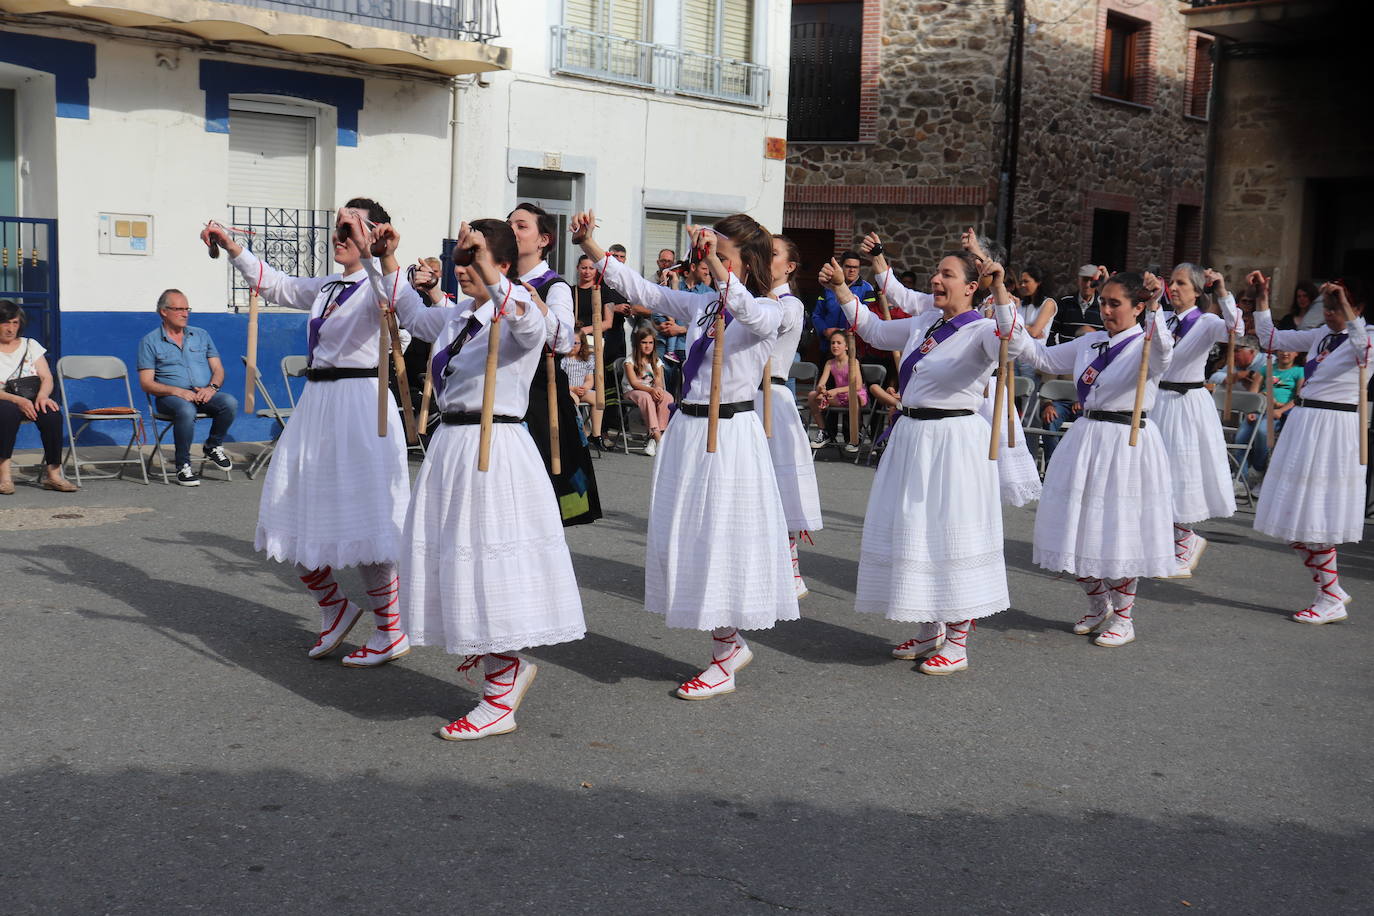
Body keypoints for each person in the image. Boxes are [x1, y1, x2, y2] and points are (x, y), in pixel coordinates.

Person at [365, 214, 585, 739]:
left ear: (502, 264)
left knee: (489, 564)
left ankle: (501, 690)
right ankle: (500, 673)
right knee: (458, 565)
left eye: (474, 256)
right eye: (460, 255)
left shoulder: (521, 310)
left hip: (496, 449)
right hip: (453, 447)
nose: (461, 265)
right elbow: (412, 312)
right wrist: (387, 256)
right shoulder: (460, 315)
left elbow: (534, 326)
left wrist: (492, 275)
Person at [572, 208, 798, 700]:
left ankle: (723, 658)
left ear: (742, 260)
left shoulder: (771, 307)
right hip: (691, 429)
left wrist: (720, 271)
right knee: (691, 538)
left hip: (730, 432)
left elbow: (754, 318)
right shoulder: (707, 306)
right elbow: (645, 292)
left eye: (721, 250)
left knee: (719, 539)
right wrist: (592, 246)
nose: (707, 256)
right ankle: (729, 643)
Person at [201, 199, 411, 667]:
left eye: (347, 228)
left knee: (366, 516)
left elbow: (398, 309)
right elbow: (274, 283)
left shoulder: (381, 281)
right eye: (336, 228)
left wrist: (378, 255)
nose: (337, 236)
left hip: (362, 404)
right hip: (317, 405)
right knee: (288, 505)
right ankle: (334, 606)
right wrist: (234, 248)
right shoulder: (330, 285)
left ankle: (391, 629)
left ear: (373, 233)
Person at [819, 248, 1023, 674]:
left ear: (970, 287)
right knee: (917, 528)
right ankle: (932, 629)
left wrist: (1000, 287)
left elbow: (1013, 341)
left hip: (954, 441)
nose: (935, 279)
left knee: (952, 530)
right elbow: (873, 331)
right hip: (912, 437)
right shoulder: (924, 322)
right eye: (935, 271)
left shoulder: (983, 329)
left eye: (946, 274)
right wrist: (841, 288)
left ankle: (959, 640)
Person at [1020, 269, 1174, 648]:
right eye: (1103, 302)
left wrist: (1156, 306)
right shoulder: (1089, 343)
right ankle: (1097, 602)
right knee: (1076, 524)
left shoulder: (1147, 342)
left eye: (1115, 304)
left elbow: (1164, 353)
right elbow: (1038, 354)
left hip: (1126, 440)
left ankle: (1124, 617)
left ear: (1137, 307)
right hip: (1087, 436)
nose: (1105, 310)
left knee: (1117, 527)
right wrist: (1006, 312)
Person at [1251, 274, 1367, 624]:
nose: (1330, 314)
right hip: (1304, 424)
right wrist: (1262, 299)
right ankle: (1330, 589)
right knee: (1291, 515)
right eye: (1327, 307)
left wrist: (1346, 308)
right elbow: (1270, 339)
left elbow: (1363, 352)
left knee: (1316, 518)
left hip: (1334, 430)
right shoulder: (1320, 335)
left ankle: (1328, 594)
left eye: (1337, 307)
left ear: (1357, 308)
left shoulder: (1368, 336)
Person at [509, 202, 602, 527]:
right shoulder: (499, 282)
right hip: (505, 392)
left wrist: (537, 306)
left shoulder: (554, 286)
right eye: (509, 225)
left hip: (539, 394)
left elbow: (563, 340)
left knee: (550, 499)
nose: (512, 231)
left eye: (521, 226)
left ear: (543, 240)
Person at [1153, 263, 1244, 577]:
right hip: (1159, 400)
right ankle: (1173, 541)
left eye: (1181, 283)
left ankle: (1185, 540)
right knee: (1156, 470)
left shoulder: (1205, 322)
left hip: (1186, 403)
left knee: (1180, 471)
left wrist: (1222, 291)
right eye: (1171, 283)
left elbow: (1236, 329)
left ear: (1196, 290)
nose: (1173, 289)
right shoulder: (1163, 318)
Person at [760, 234, 824, 597]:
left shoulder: (790, 304)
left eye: (772, 255)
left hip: (773, 397)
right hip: (745, 397)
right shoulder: (756, 299)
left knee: (776, 484)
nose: (764, 260)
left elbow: (775, 323)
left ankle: (792, 568)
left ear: (790, 266)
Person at [135, 289, 237, 486]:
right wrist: (178, 391)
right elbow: (146, 383)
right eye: (179, 309)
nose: (185, 313)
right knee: (185, 409)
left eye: (186, 308)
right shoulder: (149, 341)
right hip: (170, 398)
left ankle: (212, 446)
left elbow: (218, 369)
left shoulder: (201, 335)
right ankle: (183, 466)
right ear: (164, 312)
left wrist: (212, 388)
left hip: (203, 394)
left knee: (229, 403)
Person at [0, 300, 77, 494]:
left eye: (15, 323)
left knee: (51, 412)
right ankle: (5, 477)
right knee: (7, 414)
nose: (11, 329)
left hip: (32, 397)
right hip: (5, 400)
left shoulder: (30, 345)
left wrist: (42, 396)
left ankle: (53, 475)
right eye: (5, 323)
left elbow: (46, 376)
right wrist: (17, 400)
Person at [1236, 348, 1303, 481]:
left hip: (1279, 413)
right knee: (1240, 438)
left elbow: (1299, 397)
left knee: (1262, 431)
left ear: (1296, 353)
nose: (1285, 352)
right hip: (1259, 410)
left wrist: (1280, 409)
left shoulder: (1300, 371)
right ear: (1276, 352)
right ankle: (1241, 480)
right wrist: (1251, 410)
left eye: (1290, 350)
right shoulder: (1265, 369)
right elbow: (1253, 393)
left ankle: (1258, 468)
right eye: (1282, 350)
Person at [806, 328, 867, 453]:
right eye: (833, 343)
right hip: (839, 398)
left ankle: (854, 437)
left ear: (846, 346)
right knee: (812, 395)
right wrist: (821, 390)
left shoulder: (853, 361)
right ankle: (824, 432)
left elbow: (858, 386)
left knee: (852, 397)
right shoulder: (829, 363)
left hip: (854, 395)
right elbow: (821, 383)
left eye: (839, 343)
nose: (835, 346)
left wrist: (837, 390)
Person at [622, 326, 674, 455]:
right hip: (632, 391)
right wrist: (651, 391)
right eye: (644, 342)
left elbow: (658, 381)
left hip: (650, 392)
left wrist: (657, 389)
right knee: (646, 397)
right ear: (638, 343)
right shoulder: (630, 361)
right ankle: (657, 436)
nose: (647, 346)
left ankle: (654, 438)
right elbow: (634, 383)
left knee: (667, 397)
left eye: (650, 343)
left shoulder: (656, 361)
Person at [812, 250, 874, 339]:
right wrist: (824, 330)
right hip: (828, 343)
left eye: (855, 267)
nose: (852, 270)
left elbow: (869, 317)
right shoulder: (829, 287)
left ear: (859, 268)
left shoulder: (867, 289)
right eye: (848, 266)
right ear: (841, 267)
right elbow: (817, 315)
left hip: (853, 343)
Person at [561, 335, 601, 439]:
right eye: (570, 342)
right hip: (566, 389)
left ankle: (596, 434)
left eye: (576, 343)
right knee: (574, 400)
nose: (573, 346)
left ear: (582, 344)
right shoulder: (563, 359)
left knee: (598, 397)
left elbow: (589, 379)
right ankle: (577, 432)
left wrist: (585, 388)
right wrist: (573, 389)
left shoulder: (586, 359)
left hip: (581, 389)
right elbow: (559, 381)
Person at [1053, 264, 1104, 342]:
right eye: (1084, 280)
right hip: (1066, 352)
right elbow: (1052, 331)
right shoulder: (1065, 302)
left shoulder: (1103, 306)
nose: (1087, 285)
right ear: (1078, 281)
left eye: (1091, 280)